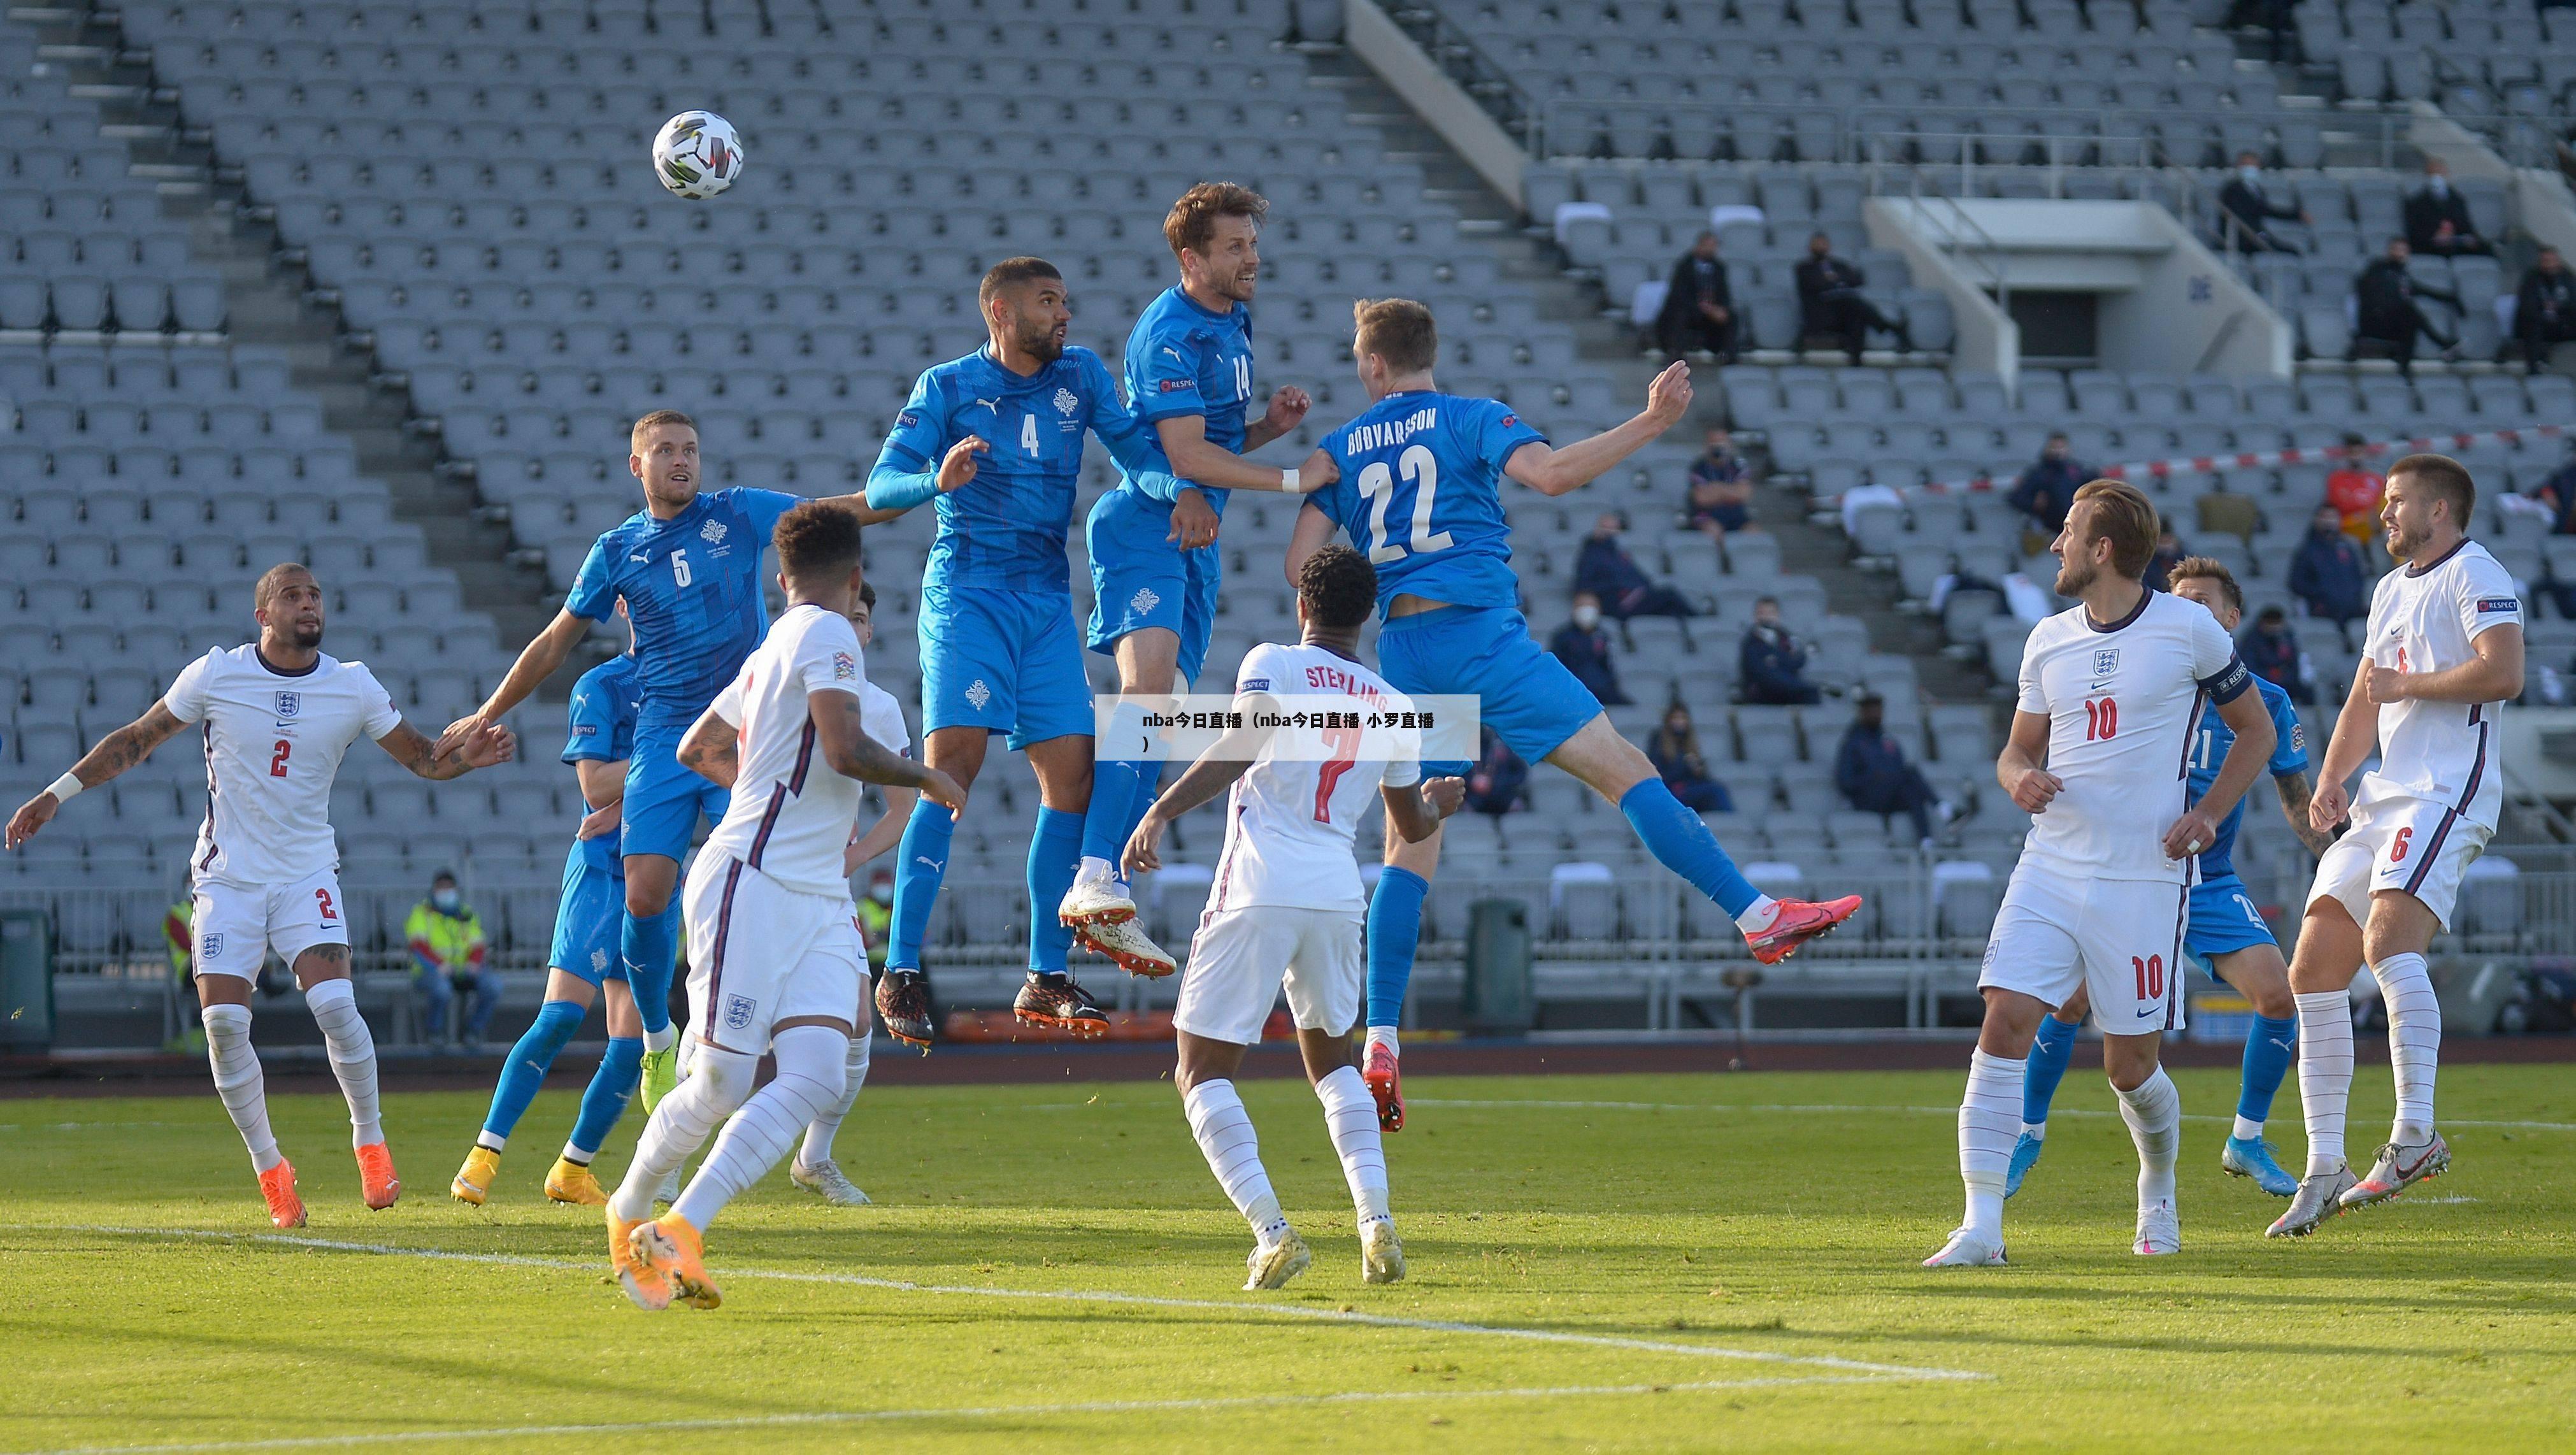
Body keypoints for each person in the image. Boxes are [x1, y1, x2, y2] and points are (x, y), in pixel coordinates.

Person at [1289, 297, 1863, 1131]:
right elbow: (1552, 475)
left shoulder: (1340, 448)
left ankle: (1381, 1040)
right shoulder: (1472, 418)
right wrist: (1651, 421)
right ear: (1427, 352)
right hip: (1487, 638)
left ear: (1370, 364)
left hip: (1409, 656)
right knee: (1627, 774)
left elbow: (1299, 565)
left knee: (1409, 847)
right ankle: (1757, 916)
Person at [862, 256, 1324, 1047]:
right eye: (1048, 303)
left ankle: (1045, 974)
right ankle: (901, 968)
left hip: (1043, 598)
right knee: (953, 769)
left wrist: (1175, 488)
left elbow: (1136, 448)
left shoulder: (1080, 374)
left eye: (1066, 300)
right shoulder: (945, 388)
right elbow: (878, 490)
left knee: (1073, 779)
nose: (1065, 314)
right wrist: (934, 482)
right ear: (1001, 314)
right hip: (968, 592)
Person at [6, 563, 515, 1228]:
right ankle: (272, 1170)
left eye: (315, 595)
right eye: (292, 595)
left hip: (307, 873)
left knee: (336, 1006)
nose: (308, 604)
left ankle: (369, 1139)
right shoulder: (218, 674)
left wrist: (466, 759)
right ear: (263, 615)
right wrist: (56, 793)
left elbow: (422, 756)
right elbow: (136, 740)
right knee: (223, 1025)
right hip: (228, 878)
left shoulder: (352, 684)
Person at [438, 410, 897, 1113]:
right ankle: (658, 1036)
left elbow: (841, 514)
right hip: (661, 738)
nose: (681, 460)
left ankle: (738, 1030)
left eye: (690, 450)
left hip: (740, 728)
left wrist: (931, 482)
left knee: (754, 869)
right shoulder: (617, 549)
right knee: (647, 895)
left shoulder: (737, 514)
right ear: (637, 465)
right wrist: (487, 712)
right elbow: (555, 642)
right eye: (664, 451)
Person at [609, 502, 965, 1311]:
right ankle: (628, 1205)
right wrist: (928, 778)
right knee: (721, 1082)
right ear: (856, 578)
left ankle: (681, 1231)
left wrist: (769, 791)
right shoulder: (831, 635)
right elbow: (843, 749)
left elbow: (694, 747)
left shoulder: (773, 644)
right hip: (754, 881)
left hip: (810, 895)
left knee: (811, 1075)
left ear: (781, 579)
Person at [1922, 479, 2277, 1268]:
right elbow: (2018, 748)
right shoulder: (2046, 639)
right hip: (2050, 864)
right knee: (2005, 1021)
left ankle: (2157, 1186)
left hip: (2141, 880)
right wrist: (2016, 774)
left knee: (2130, 1066)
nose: (2057, 544)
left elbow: (2254, 729)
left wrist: (2210, 812)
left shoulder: (2189, 628)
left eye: (2069, 532)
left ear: (2104, 549)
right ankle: (1981, 1227)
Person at [1120, 545, 1464, 1289]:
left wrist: (1159, 808)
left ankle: (1273, 1233)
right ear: (1367, 617)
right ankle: (1376, 1222)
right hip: (1338, 893)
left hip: (1259, 882)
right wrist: (1440, 801)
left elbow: (1239, 746)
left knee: (1201, 1068)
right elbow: (1413, 823)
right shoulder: (1393, 705)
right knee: (1335, 1065)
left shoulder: (1273, 661)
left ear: (1303, 606)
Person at [2008, 557, 2331, 1205]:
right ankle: (2027, 1129)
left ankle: (2245, 1137)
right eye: (2176, 601)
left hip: (2205, 879)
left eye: (2202, 603)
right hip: (2126, 872)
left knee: (2276, 996)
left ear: (2230, 619)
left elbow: (2297, 798)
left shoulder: (2262, 701)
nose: (2186, 614)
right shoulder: (2148, 683)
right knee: (2069, 1003)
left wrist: (2341, 860)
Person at [1070, 184, 1324, 971]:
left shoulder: (1233, 320)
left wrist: (1265, 430)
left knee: (1165, 711)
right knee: (1146, 699)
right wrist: (1290, 476)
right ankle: (1090, 877)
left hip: (1193, 535)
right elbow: (1181, 458)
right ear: (1193, 258)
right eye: (1235, 247)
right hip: (1147, 525)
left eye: (1252, 243)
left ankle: (1103, 884)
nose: (1252, 258)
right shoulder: (1169, 333)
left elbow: (1211, 444)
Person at [2268, 455, 2523, 1238]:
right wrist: (2334, 777)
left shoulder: (2478, 572)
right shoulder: (2389, 589)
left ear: (2441, 509)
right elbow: (2363, 693)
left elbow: (2504, 672)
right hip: (2386, 791)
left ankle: (2415, 1135)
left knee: (2386, 941)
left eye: (2397, 501)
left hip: (2447, 789)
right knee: (2312, 965)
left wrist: (2407, 689)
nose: (2384, 514)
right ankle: (2323, 1166)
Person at [452, 651, 652, 1207]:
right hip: (603, 871)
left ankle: (572, 1169)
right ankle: (484, 1155)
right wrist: (663, 768)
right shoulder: (602, 684)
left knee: (630, 1042)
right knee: (561, 1015)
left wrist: (635, 790)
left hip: (657, 872)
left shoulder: (694, 684)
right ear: (622, 601)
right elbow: (593, 784)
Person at [793, 577, 917, 1208]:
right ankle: (669, 1172)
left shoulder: (882, 706)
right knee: (727, 1038)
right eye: (844, 614)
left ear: (867, 631)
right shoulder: (783, 686)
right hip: (766, 876)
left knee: (860, 1020)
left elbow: (903, 805)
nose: (853, 626)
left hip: (824, 889)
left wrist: (855, 856)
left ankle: (814, 1157)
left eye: (862, 617)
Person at [1832, 691, 1949, 843]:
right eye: (1872, 711)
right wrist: (1872, 777)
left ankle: (1926, 842)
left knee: (1912, 793)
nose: (1876, 715)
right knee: (1909, 773)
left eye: (1879, 710)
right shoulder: (1852, 743)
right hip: (1867, 799)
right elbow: (1845, 782)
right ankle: (1942, 808)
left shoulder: (1888, 742)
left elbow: (1899, 766)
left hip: (1890, 796)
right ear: (1863, 713)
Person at [406, 872, 496, 1051]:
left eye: (450, 888)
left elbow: (478, 944)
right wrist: (438, 965)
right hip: (430, 972)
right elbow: (418, 946)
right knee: (442, 990)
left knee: (493, 986)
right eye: (442, 888)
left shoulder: (465, 914)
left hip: (463, 970)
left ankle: (473, 1032)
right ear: (434, 890)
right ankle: (435, 1034)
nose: (446, 892)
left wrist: (474, 963)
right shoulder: (421, 913)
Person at [1794, 231, 1910, 363]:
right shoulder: (1804, 268)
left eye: (1824, 243)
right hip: (1822, 313)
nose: (1821, 247)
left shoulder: (1839, 265)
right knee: (1852, 303)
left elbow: (1856, 279)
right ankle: (1889, 328)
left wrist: (1833, 281)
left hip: (1844, 313)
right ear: (1811, 246)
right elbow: (1816, 285)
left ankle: (1856, 359)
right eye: (1818, 244)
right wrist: (1836, 282)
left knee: (1856, 314)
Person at [2353, 237, 2459, 375]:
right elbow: (2369, 291)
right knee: (2408, 311)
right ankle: (2443, 344)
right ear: (2389, 250)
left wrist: (2451, 298)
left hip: (2392, 324)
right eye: (2397, 249)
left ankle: (2406, 366)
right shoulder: (2378, 269)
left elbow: (2423, 290)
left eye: (2404, 250)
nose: (2400, 253)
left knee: (2410, 320)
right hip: (2373, 321)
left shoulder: (2403, 276)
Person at [1575, 512, 1698, 620]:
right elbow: (1584, 585)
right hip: (1617, 604)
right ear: (1597, 528)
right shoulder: (1590, 555)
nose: (1609, 533)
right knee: (1669, 595)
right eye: (1605, 528)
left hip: (1635, 598)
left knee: (1671, 612)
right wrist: (1619, 590)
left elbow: (1641, 578)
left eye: (1613, 529)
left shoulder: (1618, 554)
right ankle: (1699, 620)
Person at [1655, 230, 1735, 362]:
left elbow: (1724, 294)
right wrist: (1703, 308)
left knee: (1731, 317)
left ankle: (1728, 356)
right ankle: (1676, 355)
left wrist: (1720, 309)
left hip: (1710, 312)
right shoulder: (1685, 266)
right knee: (1680, 316)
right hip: (1690, 309)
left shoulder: (1719, 268)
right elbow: (1679, 295)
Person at [2291, 503, 2370, 626]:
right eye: (2325, 517)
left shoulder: (2347, 548)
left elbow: (2358, 577)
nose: (2329, 521)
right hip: (2323, 611)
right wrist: (2323, 594)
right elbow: (2297, 582)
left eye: (2333, 517)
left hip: (2352, 608)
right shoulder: (2307, 550)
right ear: (2317, 520)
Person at [2217, 151, 2307, 254]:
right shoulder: (2232, 189)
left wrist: (2296, 215)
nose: (2250, 168)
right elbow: (2258, 210)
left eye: (2253, 165)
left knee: (2293, 251)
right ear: (2238, 166)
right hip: (2243, 238)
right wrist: (2295, 215)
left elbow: (2263, 209)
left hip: (2257, 236)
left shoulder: (2257, 189)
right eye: (2246, 165)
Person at [1647, 705, 1732, 814]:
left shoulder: (1689, 742)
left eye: (1683, 718)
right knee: (1716, 791)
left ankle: (1728, 824)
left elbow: (1701, 778)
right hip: (1670, 790)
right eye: (1676, 718)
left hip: (1689, 788)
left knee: (1717, 789)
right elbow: (1659, 773)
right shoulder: (1658, 740)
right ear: (1668, 720)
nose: (1679, 722)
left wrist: (1698, 770)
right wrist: (1684, 763)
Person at [1738, 596, 1822, 706]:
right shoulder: (1750, 643)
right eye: (1762, 613)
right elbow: (1761, 672)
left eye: (1771, 613)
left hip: (1788, 690)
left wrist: (1777, 661)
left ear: (1778, 616)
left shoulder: (1786, 638)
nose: (1767, 617)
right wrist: (1783, 661)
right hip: (1763, 694)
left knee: (1811, 694)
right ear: (1755, 616)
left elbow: (1798, 661)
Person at [1549, 592, 1629, 705]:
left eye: (1591, 606)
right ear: (1574, 609)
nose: (1587, 610)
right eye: (1582, 606)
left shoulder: (1603, 636)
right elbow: (1557, 669)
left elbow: (1609, 667)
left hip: (1603, 689)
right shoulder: (1563, 637)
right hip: (1574, 690)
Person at [2403, 157, 2493, 258]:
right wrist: (2435, 236)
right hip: (2430, 244)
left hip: (2456, 241)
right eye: (2432, 173)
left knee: (2486, 249)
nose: (2437, 176)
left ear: (2446, 173)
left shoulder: (2458, 200)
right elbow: (2414, 231)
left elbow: (2466, 226)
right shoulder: (2416, 202)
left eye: (2440, 172)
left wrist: (2458, 235)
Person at [2007, 435, 2086, 546]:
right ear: (2047, 449)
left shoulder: (2076, 472)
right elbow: (2016, 497)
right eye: (2054, 448)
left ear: (2068, 449)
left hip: (2073, 527)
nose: (2058, 452)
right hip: (2047, 529)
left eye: (2061, 448)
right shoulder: (2039, 473)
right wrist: (2034, 503)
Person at [2513, 245, 2576, 375]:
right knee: (2533, 327)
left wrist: (2559, 308)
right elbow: (2527, 305)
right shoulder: (2532, 279)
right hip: (2538, 323)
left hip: (2562, 322)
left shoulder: (2567, 278)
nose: (2550, 265)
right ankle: (2534, 370)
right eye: (2546, 261)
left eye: (2552, 261)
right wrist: (2543, 309)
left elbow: (2572, 302)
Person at [2238, 603, 2315, 705]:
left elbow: (2294, 665)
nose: (2274, 628)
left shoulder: (2287, 637)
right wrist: (2270, 676)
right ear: (2263, 624)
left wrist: (2283, 677)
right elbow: (2249, 666)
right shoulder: (2251, 640)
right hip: (2261, 682)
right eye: (2271, 624)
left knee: (2307, 692)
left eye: (2277, 624)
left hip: (2285, 681)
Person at [1685, 427, 1754, 540]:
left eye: (1721, 442)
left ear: (1729, 444)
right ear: (1707, 445)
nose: (1718, 446)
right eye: (1714, 442)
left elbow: (1744, 494)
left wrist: (1717, 489)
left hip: (1736, 514)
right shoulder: (1699, 467)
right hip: (1708, 515)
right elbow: (1702, 498)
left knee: (1753, 533)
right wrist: (1731, 491)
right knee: (1713, 531)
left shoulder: (1738, 466)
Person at [2324, 435, 2382, 541]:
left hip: (2374, 525)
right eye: (2352, 453)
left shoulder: (2376, 479)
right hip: (2348, 526)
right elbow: (2340, 506)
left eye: (2359, 452)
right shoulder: (2337, 479)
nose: (2356, 457)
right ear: (2346, 455)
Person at [1461, 727, 1527, 817]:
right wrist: (1472, 781)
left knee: (1517, 805)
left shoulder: (1504, 743)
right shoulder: (1464, 747)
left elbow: (1520, 771)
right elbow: (1456, 772)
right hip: (1474, 797)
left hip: (1503, 794)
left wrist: (1496, 783)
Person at [2146, 524, 2188, 592]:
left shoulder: (2185, 561)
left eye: (2168, 541)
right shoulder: (2148, 563)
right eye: (2162, 542)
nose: (2165, 546)